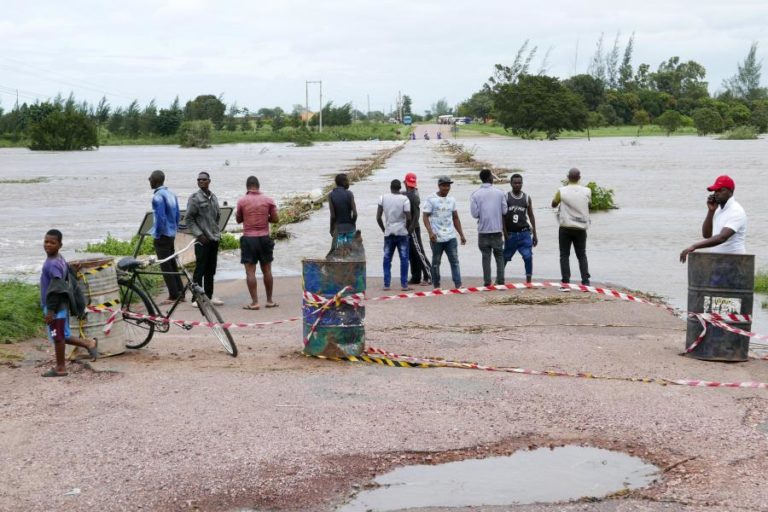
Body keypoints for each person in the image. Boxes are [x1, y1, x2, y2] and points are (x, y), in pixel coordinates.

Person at [40, 229, 98, 377]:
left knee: (58, 336)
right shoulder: (59, 259)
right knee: (61, 334)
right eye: (46, 241)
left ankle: (61, 368)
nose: (48, 245)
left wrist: (51, 311)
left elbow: (57, 287)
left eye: (52, 242)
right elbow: (65, 274)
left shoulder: (52, 264)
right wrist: (72, 269)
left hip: (56, 305)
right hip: (61, 304)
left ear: (60, 245)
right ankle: (89, 343)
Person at [680, 175, 747, 263]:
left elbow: (722, 238)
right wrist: (711, 211)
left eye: (720, 190)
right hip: (718, 262)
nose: (716, 193)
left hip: (734, 263)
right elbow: (707, 235)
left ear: (730, 191)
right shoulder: (718, 210)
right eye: (715, 190)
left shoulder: (736, 211)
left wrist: (694, 246)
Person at [236, 176, 279, 310]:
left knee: (250, 271)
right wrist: (266, 218)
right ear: (258, 186)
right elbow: (276, 219)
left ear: (247, 187)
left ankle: (255, 302)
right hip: (264, 238)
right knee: (267, 270)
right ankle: (270, 300)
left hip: (249, 238)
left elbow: (238, 219)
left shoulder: (242, 201)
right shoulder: (268, 200)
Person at [185, 171, 223, 306]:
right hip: (202, 240)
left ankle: (209, 296)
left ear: (209, 181)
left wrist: (215, 232)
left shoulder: (214, 197)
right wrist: (199, 235)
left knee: (211, 269)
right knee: (199, 269)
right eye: (199, 180)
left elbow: (217, 216)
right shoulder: (194, 198)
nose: (201, 181)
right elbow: (188, 219)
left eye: (204, 179)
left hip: (214, 239)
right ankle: (196, 298)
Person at [422, 175, 466, 290]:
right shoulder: (431, 199)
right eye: (444, 186)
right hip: (436, 238)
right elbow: (425, 216)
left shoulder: (452, 200)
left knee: (455, 261)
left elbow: (455, 217)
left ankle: (458, 284)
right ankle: (436, 286)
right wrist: (430, 233)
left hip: (451, 237)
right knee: (436, 263)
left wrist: (461, 234)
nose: (446, 188)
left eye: (448, 186)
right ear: (439, 186)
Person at [551, 168, 591, 291]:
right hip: (581, 228)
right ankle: (585, 282)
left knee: (564, 255)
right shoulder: (587, 191)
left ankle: (566, 283)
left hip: (565, 227)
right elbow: (589, 205)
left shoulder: (561, 191)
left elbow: (553, 204)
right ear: (579, 178)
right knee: (581, 255)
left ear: (568, 177)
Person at [148, 170, 184, 304]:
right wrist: (174, 230)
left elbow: (160, 218)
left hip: (162, 235)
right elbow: (177, 215)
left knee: (165, 264)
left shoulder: (157, 196)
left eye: (150, 178)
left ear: (156, 180)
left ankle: (173, 295)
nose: (149, 180)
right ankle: (180, 292)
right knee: (172, 262)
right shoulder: (171, 194)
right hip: (171, 234)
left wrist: (157, 234)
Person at [470, 168, 507, 286]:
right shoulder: (500, 193)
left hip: (483, 231)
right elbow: (505, 211)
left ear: (481, 179)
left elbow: (475, 214)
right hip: (497, 230)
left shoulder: (475, 194)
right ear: (491, 178)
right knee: (499, 256)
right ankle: (500, 280)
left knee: (486, 257)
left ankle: (487, 282)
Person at [376, 179, 412, 291]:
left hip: (388, 232)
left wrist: (383, 229)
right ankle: (404, 285)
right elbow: (409, 217)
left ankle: (387, 284)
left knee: (387, 259)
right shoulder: (405, 199)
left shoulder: (383, 198)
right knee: (404, 259)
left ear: (390, 187)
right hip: (402, 233)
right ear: (400, 188)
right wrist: (406, 228)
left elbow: (378, 217)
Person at [504, 173, 539, 283]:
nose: (517, 185)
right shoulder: (506, 197)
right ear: (511, 184)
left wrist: (535, 234)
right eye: (515, 183)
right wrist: (505, 234)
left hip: (524, 233)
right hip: (511, 234)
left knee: (528, 256)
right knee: (505, 257)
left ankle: (528, 280)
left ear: (522, 184)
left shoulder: (527, 197)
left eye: (519, 183)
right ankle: (499, 279)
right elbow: (502, 217)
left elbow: (531, 215)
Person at [403, 172, 431, 285]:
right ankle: (416, 276)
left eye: (410, 184)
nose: (409, 186)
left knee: (419, 252)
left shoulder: (413, 196)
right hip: (407, 228)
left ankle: (429, 275)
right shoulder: (409, 193)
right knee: (411, 253)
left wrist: (410, 230)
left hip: (413, 228)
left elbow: (416, 215)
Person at [328, 173, 358, 250]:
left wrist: (331, 229)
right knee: (351, 252)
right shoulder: (349, 194)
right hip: (350, 228)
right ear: (343, 182)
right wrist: (353, 223)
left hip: (338, 229)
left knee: (340, 253)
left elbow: (333, 216)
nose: (348, 183)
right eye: (347, 181)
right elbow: (355, 214)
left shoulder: (331, 195)